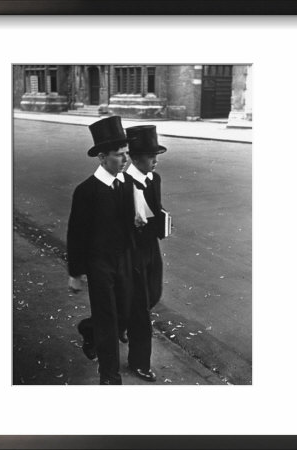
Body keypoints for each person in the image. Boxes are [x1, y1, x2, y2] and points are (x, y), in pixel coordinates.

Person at [66, 116, 135, 385]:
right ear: (102, 158)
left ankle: (88, 329)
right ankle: (109, 376)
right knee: (108, 322)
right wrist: (75, 273)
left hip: (124, 261)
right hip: (99, 265)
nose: (125, 159)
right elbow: (76, 234)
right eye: (119, 155)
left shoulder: (125, 183)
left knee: (124, 314)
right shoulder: (86, 191)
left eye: (127, 154)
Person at [125, 125, 167, 382]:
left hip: (151, 248)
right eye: (151, 156)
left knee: (152, 294)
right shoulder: (123, 183)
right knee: (140, 309)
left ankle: (95, 330)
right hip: (130, 253)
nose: (155, 160)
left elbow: (156, 207)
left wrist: (162, 221)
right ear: (136, 158)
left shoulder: (154, 179)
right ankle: (139, 362)